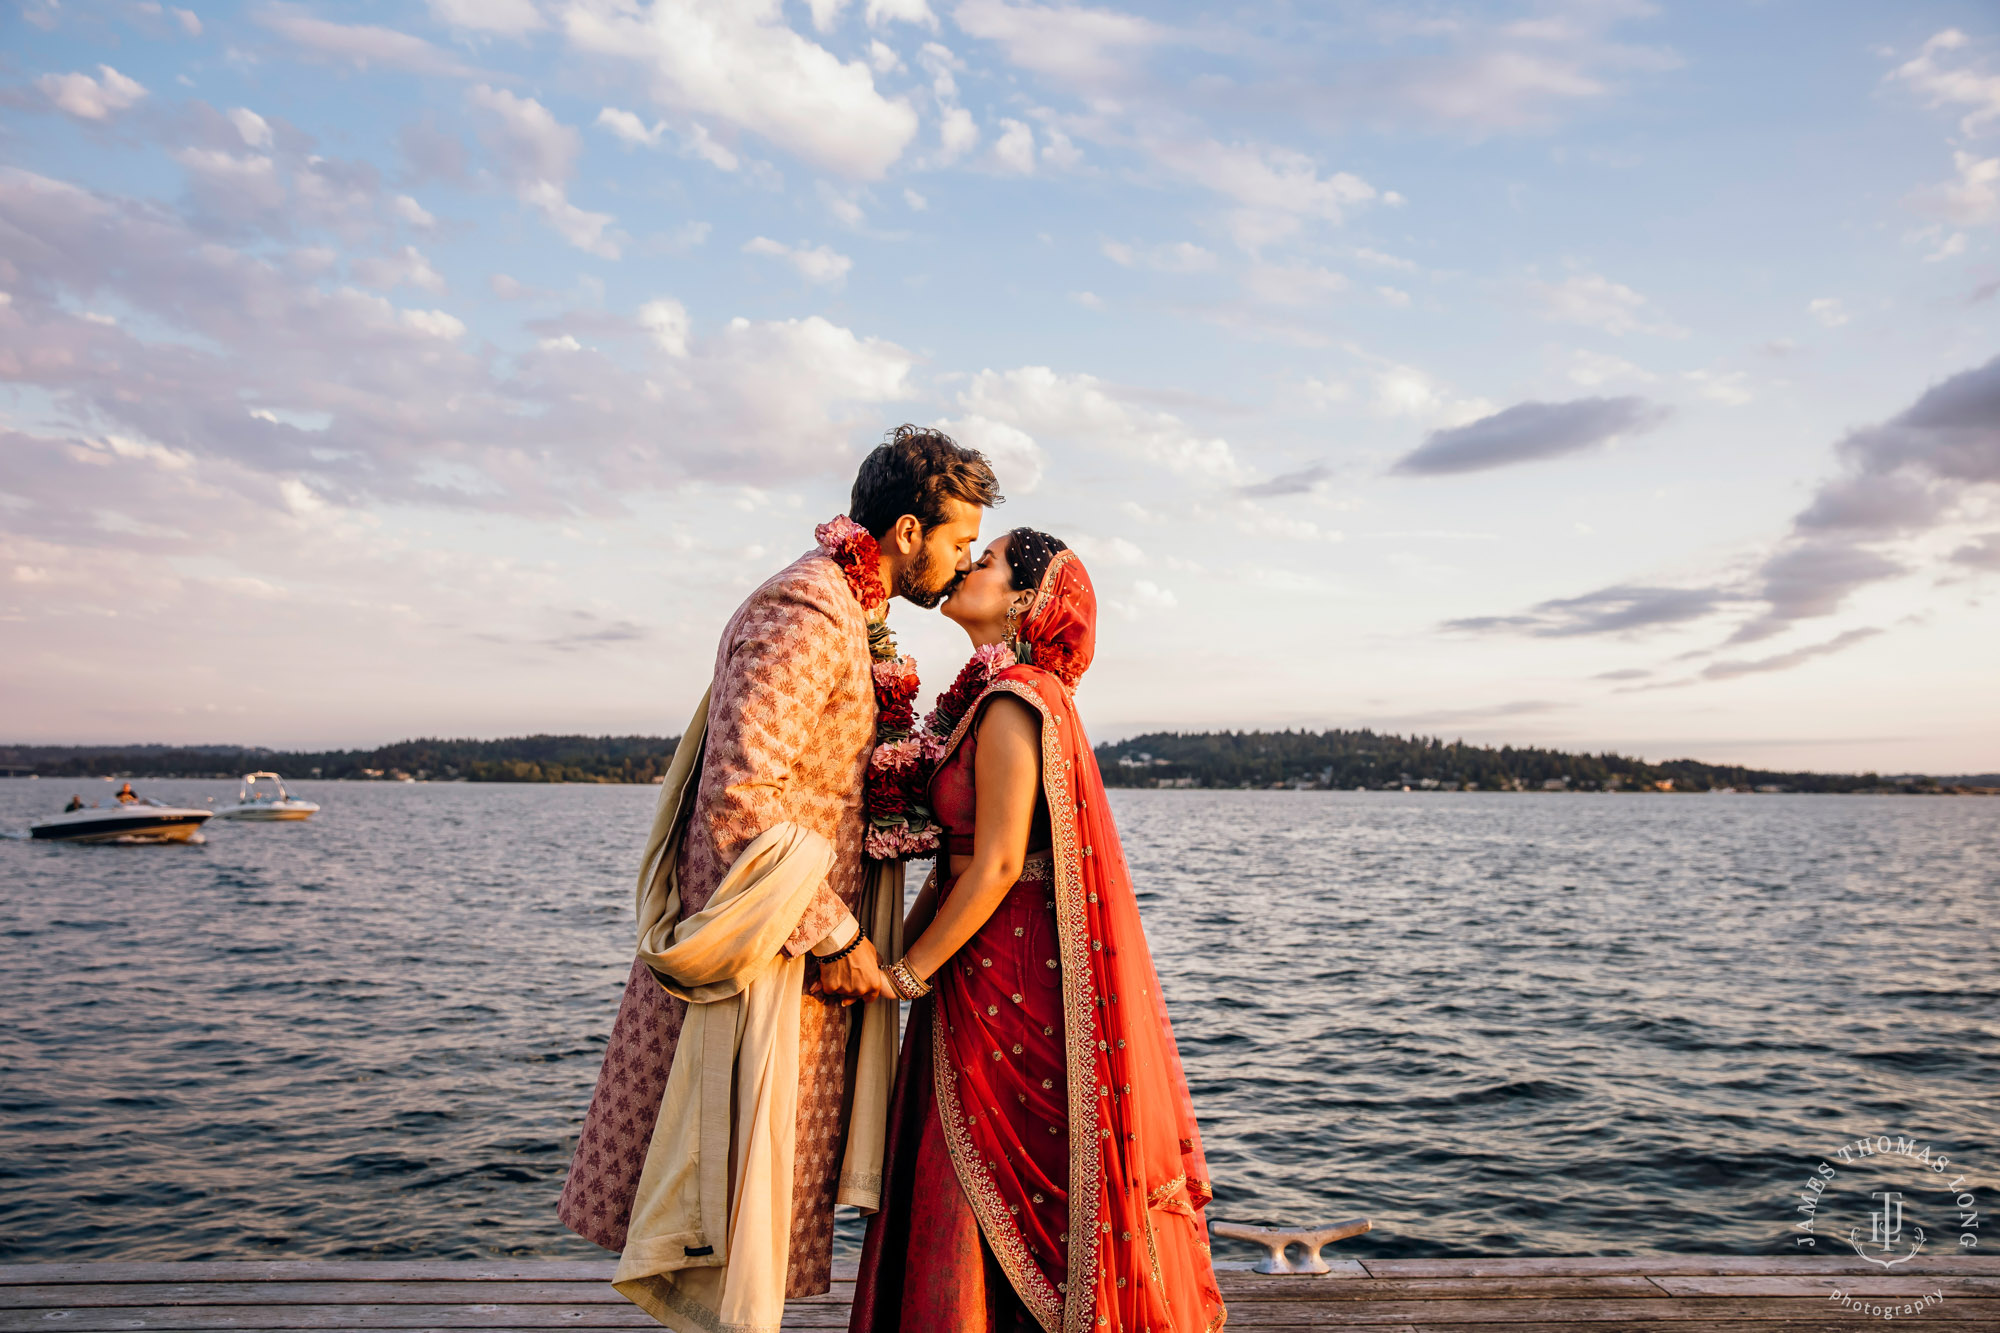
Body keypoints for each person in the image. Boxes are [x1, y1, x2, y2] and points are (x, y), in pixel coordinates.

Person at [557, 425, 1003, 1333]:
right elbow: (740, 796)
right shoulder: (806, 609)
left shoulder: (846, 611)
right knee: (729, 1177)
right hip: (770, 943)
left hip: (789, 935)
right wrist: (838, 936)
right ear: (909, 531)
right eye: (959, 542)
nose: (962, 565)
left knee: (750, 1181)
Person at [851, 531, 1227, 1333]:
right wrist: (889, 964)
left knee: (977, 1175)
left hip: (1002, 986)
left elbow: (990, 867)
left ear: (1026, 600)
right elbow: (958, 870)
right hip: (983, 972)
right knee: (967, 1174)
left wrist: (906, 975)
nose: (966, 568)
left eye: (985, 562)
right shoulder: (1010, 695)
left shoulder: (1016, 698)